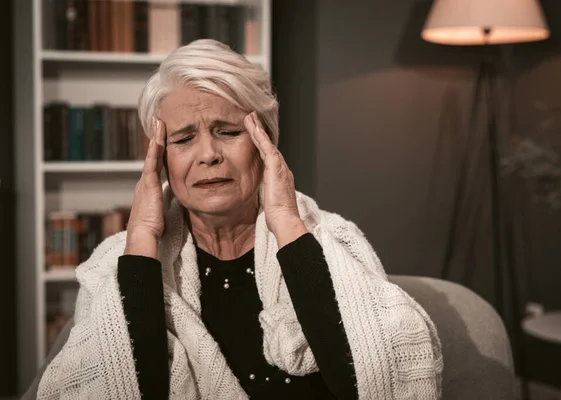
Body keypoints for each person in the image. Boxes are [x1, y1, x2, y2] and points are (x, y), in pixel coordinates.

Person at [32, 39, 443, 399]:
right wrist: (141, 237)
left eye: (228, 131)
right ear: (161, 159)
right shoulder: (121, 264)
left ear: (264, 144)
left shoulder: (327, 240)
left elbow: (375, 386)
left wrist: (285, 219)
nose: (208, 154)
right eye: (184, 138)